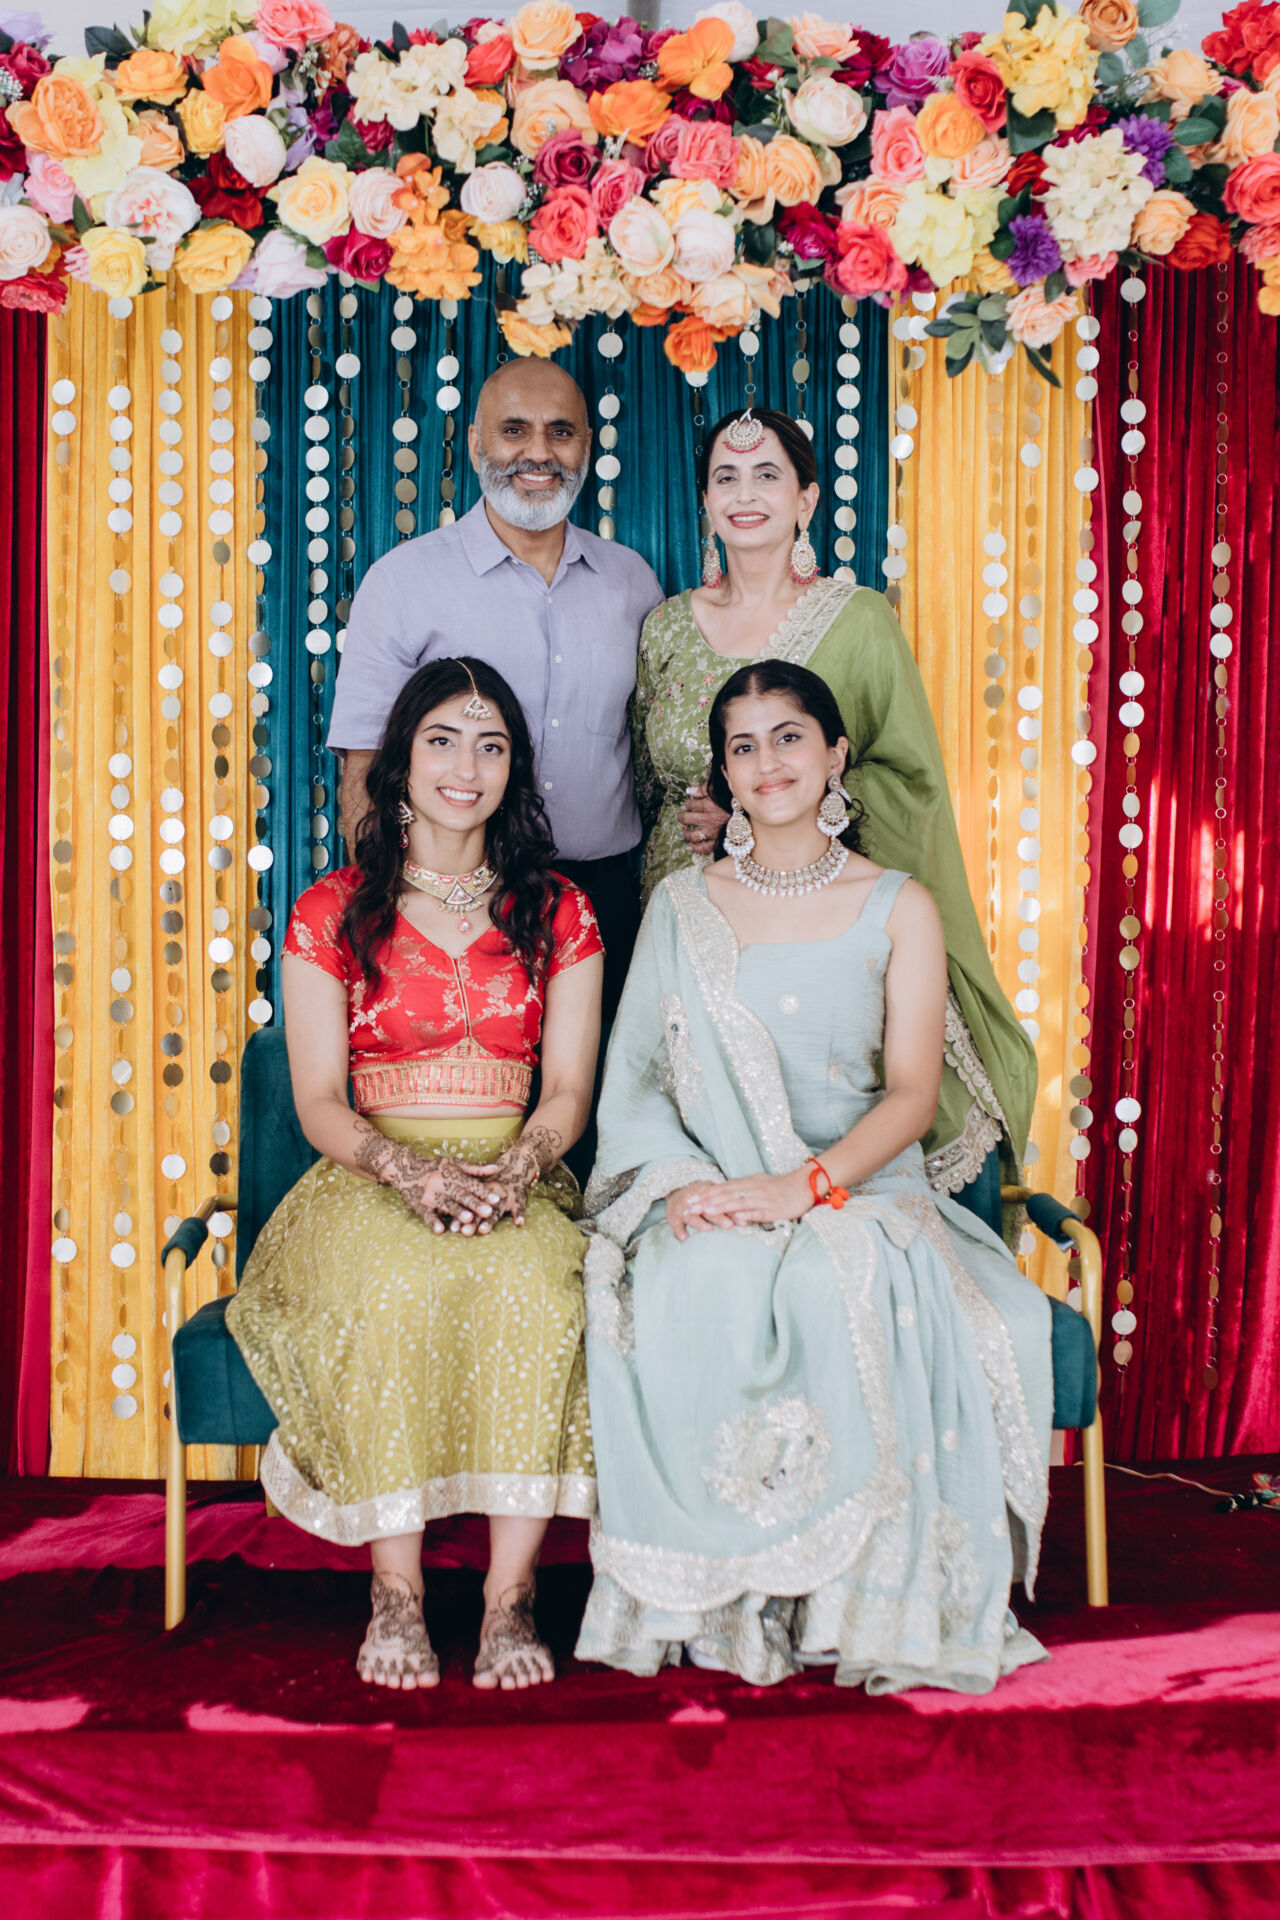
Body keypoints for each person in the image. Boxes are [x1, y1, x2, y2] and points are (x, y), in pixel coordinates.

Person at [576, 661, 1052, 1693]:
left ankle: (848, 1601)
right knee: (700, 1276)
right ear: (722, 775)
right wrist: (682, 1188)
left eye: (788, 737)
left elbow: (910, 1098)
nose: (767, 763)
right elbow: (638, 1087)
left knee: (839, 1282)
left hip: (865, 1189)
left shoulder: (897, 905)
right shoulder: (680, 907)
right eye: (742, 747)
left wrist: (803, 1190)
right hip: (717, 1184)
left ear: (835, 753)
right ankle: (727, 1601)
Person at [227, 658, 604, 1692]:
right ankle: (394, 1592)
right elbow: (317, 1101)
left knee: (542, 1291)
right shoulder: (332, 909)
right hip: (367, 1178)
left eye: (491, 746)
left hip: (513, 1172)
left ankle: (507, 1599)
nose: (465, 767)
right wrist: (408, 1172)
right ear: (400, 763)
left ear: (514, 770)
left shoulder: (559, 910)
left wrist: (519, 1167)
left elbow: (568, 1089)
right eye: (442, 741)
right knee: (393, 1285)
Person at [631, 406, 1034, 1196]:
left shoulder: (859, 620)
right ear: (705, 501)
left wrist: (756, 813)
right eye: (725, 477)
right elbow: (646, 784)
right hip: (682, 908)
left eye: (768, 475)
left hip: (816, 911)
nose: (746, 494)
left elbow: (910, 781)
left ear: (807, 499)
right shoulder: (665, 626)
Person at [328, 358, 663, 1048]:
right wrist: (393, 917)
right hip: (449, 903)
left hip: (605, 900)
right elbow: (363, 769)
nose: (539, 452)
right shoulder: (404, 581)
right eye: (515, 430)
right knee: (470, 1096)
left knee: (600, 1098)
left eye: (560, 432)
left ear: (587, 445)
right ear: (477, 442)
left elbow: (658, 746)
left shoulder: (632, 582)